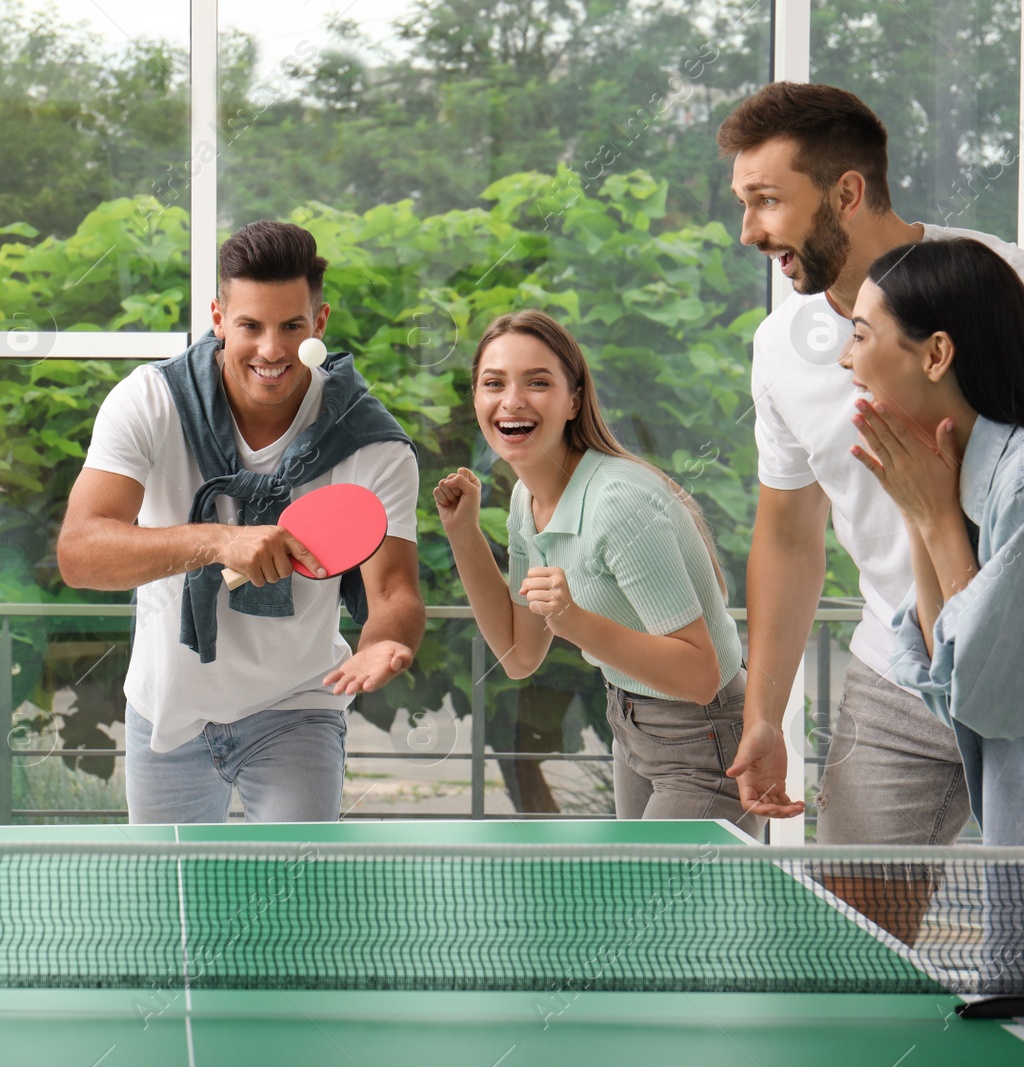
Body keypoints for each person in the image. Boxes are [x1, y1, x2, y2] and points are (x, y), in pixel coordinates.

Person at [719, 82, 1024, 938]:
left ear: (847, 192)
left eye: (768, 201)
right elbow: (787, 533)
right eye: (745, 204)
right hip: (902, 672)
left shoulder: (1007, 284)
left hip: (1022, 671)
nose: (751, 232)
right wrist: (764, 716)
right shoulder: (779, 348)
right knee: (847, 937)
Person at [58, 220, 424, 824]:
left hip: (299, 707)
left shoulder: (372, 443)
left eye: (292, 326)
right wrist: (218, 541)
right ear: (219, 318)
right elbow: (79, 553)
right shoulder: (149, 401)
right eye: (251, 326)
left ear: (321, 324)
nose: (272, 350)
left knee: (290, 910)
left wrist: (386, 641)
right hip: (167, 713)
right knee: (172, 913)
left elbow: (394, 592)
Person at [435, 311, 757, 836]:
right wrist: (464, 534)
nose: (512, 400)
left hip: (704, 732)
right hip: (630, 718)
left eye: (538, 383)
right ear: (477, 399)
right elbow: (519, 655)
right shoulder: (526, 497)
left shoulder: (618, 504)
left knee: (660, 912)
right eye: (493, 383)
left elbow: (700, 676)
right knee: (639, 908)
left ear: (574, 400)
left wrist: (574, 620)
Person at [843, 239, 1024, 993]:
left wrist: (939, 523)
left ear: (936, 352)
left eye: (861, 335)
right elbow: (941, 685)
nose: (848, 360)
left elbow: (990, 689)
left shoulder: (1018, 485)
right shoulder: (960, 471)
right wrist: (924, 512)